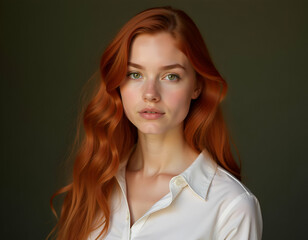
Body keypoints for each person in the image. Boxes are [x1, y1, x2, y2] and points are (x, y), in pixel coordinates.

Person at [49, 6, 262, 240]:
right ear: (118, 83)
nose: (150, 93)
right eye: (135, 74)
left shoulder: (231, 207)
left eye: (170, 76)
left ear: (197, 86)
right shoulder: (96, 182)